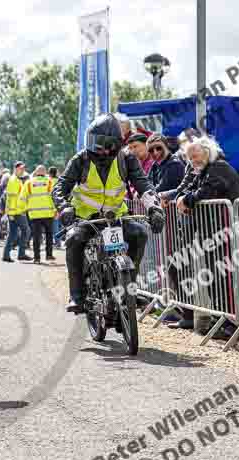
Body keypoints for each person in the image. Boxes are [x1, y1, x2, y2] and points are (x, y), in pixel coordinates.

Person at [54, 113, 165, 314]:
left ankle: (129, 287)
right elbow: (60, 186)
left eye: (102, 144)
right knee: (73, 240)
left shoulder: (127, 159)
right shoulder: (81, 159)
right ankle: (77, 295)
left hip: (116, 216)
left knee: (139, 234)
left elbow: (143, 184)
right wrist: (64, 207)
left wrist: (155, 209)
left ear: (115, 145)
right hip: (86, 219)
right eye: (93, 142)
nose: (97, 148)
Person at [159, 136, 239, 334]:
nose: (193, 161)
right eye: (190, 158)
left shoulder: (218, 167)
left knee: (223, 276)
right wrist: (182, 197)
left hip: (223, 230)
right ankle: (220, 319)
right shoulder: (203, 170)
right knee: (214, 276)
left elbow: (206, 192)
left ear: (207, 152)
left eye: (196, 156)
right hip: (210, 231)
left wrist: (185, 200)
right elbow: (188, 189)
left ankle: (230, 324)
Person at [21, 165, 56, 264]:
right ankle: (49, 255)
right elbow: (54, 197)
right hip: (48, 213)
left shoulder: (29, 183)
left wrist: (23, 210)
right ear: (45, 173)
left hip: (34, 214)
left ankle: (37, 258)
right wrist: (56, 210)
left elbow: (22, 198)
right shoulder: (49, 182)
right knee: (49, 235)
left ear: (35, 172)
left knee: (36, 237)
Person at [2, 162, 32, 262]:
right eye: (21, 169)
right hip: (16, 212)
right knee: (25, 231)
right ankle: (21, 254)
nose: (23, 170)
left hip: (16, 212)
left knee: (13, 233)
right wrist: (10, 213)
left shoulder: (15, 179)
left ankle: (7, 255)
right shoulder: (14, 180)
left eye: (23, 169)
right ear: (16, 169)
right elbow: (11, 198)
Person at [49, 166, 64, 249]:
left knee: (54, 226)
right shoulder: (59, 181)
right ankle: (59, 242)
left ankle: (57, 243)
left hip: (52, 207)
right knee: (60, 225)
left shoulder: (49, 181)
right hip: (60, 206)